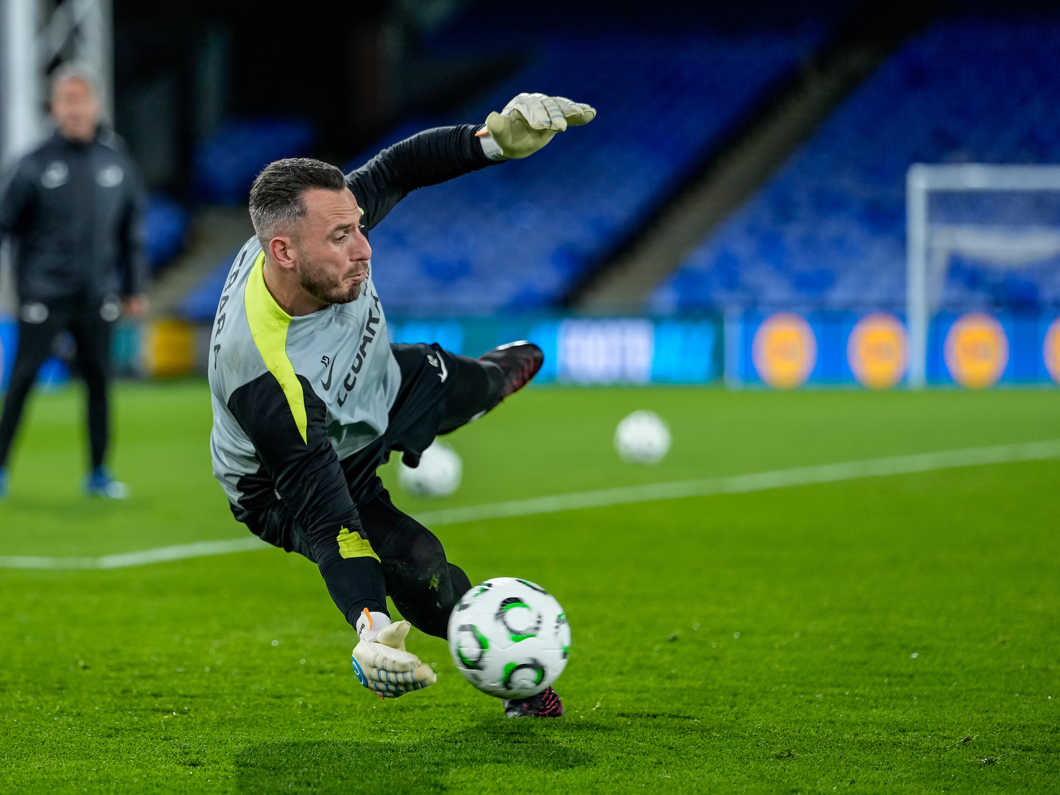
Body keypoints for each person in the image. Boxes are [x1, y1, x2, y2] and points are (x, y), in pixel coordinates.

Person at [209, 93, 594, 717]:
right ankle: (520, 680)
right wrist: (370, 626)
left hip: (380, 383)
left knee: (481, 382)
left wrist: (491, 141)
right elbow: (333, 524)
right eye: (342, 237)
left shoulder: (316, 229)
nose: (364, 248)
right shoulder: (265, 381)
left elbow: (396, 169)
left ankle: (486, 385)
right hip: (293, 474)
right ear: (283, 253)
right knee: (421, 566)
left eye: (359, 227)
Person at [0, 63, 149, 500]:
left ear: (96, 104)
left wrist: (134, 286)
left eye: (81, 99)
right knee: (22, 381)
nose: (75, 108)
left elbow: (130, 230)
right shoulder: (33, 163)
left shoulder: (116, 160)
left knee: (100, 383)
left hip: (98, 294)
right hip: (43, 294)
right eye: (67, 100)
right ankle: (1, 468)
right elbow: (5, 223)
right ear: (54, 107)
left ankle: (99, 472)